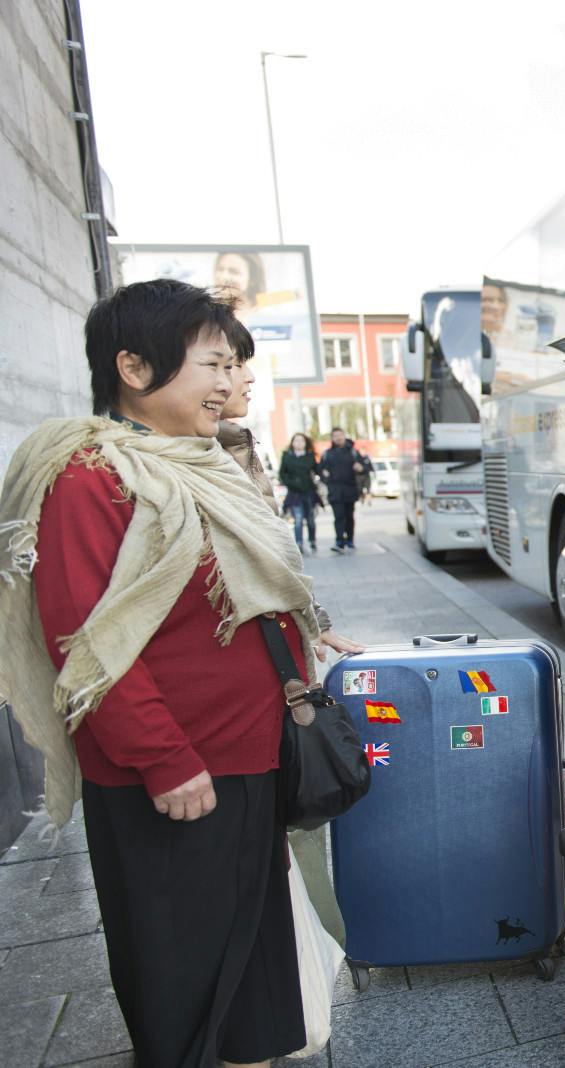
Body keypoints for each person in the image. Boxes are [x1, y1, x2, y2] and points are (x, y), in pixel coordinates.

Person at [0, 279, 315, 1066]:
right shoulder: (89, 478)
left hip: (242, 759)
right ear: (134, 369)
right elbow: (89, 641)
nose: (225, 381)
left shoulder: (192, 465)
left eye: (229, 363)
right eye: (210, 363)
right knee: (187, 976)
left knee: (248, 969)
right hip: (172, 777)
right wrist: (164, 758)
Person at [220, 326, 362, 950]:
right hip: (249, 675)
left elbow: (278, 556)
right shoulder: (203, 457)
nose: (245, 379)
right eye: (226, 364)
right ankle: (304, 952)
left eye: (242, 365)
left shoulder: (234, 445)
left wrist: (319, 625)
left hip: (279, 658)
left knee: (290, 815)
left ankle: (315, 949)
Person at [316, 427, 364, 553]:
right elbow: (320, 470)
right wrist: (325, 476)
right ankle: (339, 542)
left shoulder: (353, 452)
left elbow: (364, 467)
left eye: (340, 435)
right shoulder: (327, 454)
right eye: (335, 435)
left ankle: (350, 540)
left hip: (350, 489)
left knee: (349, 517)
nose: (338, 437)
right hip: (335, 491)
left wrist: (360, 468)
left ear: (344, 436)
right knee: (338, 517)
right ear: (332, 438)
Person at [279, 432, 321, 551]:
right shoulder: (287, 456)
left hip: (309, 492)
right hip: (294, 493)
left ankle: (312, 540)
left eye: (301, 440)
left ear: (305, 443)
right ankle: (299, 543)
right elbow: (282, 473)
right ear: (292, 443)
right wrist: (290, 483)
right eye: (296, 440)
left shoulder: (310, 456)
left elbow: (318, 470)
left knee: (311, 519)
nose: (299, 443)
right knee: (297, 518)